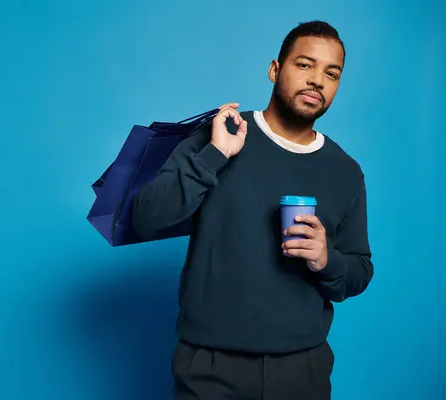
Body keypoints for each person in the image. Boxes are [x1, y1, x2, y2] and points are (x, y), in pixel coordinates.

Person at [132, 20, 374, 400]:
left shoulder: (345, 171)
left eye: (332, 73)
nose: (317, 81)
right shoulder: (222, 133)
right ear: (275, 69)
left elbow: (359, 269)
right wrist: (214, 156)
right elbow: (146, 217)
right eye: (304, 65)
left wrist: (327, 260)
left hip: (303, 371)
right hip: (209, 368)